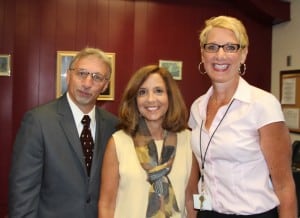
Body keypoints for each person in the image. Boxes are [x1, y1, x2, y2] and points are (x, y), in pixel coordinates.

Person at [188, 15, 297, 218]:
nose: (220, 55)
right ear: (203, 54)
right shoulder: (197, 107)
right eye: (212, 47)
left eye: (231, 47)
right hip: (208, 212)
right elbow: (196, 173)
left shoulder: (263, 104)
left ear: (244, 54)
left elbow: (284, 185)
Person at [9, 47, 119, 218]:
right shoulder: (38, 121)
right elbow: (23, 192)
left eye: (97, 77)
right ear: (69, 76)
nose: (87, 83)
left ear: (105, 85)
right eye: (82, 73)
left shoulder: (114, 126)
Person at [98, 65, 197, 218]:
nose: (151, 99)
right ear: (134, 100)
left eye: (158, 91)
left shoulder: (188, 140)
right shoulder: (118, 142)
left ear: (170, 97)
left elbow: (191, 199)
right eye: (142, 92)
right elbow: (107, 204)